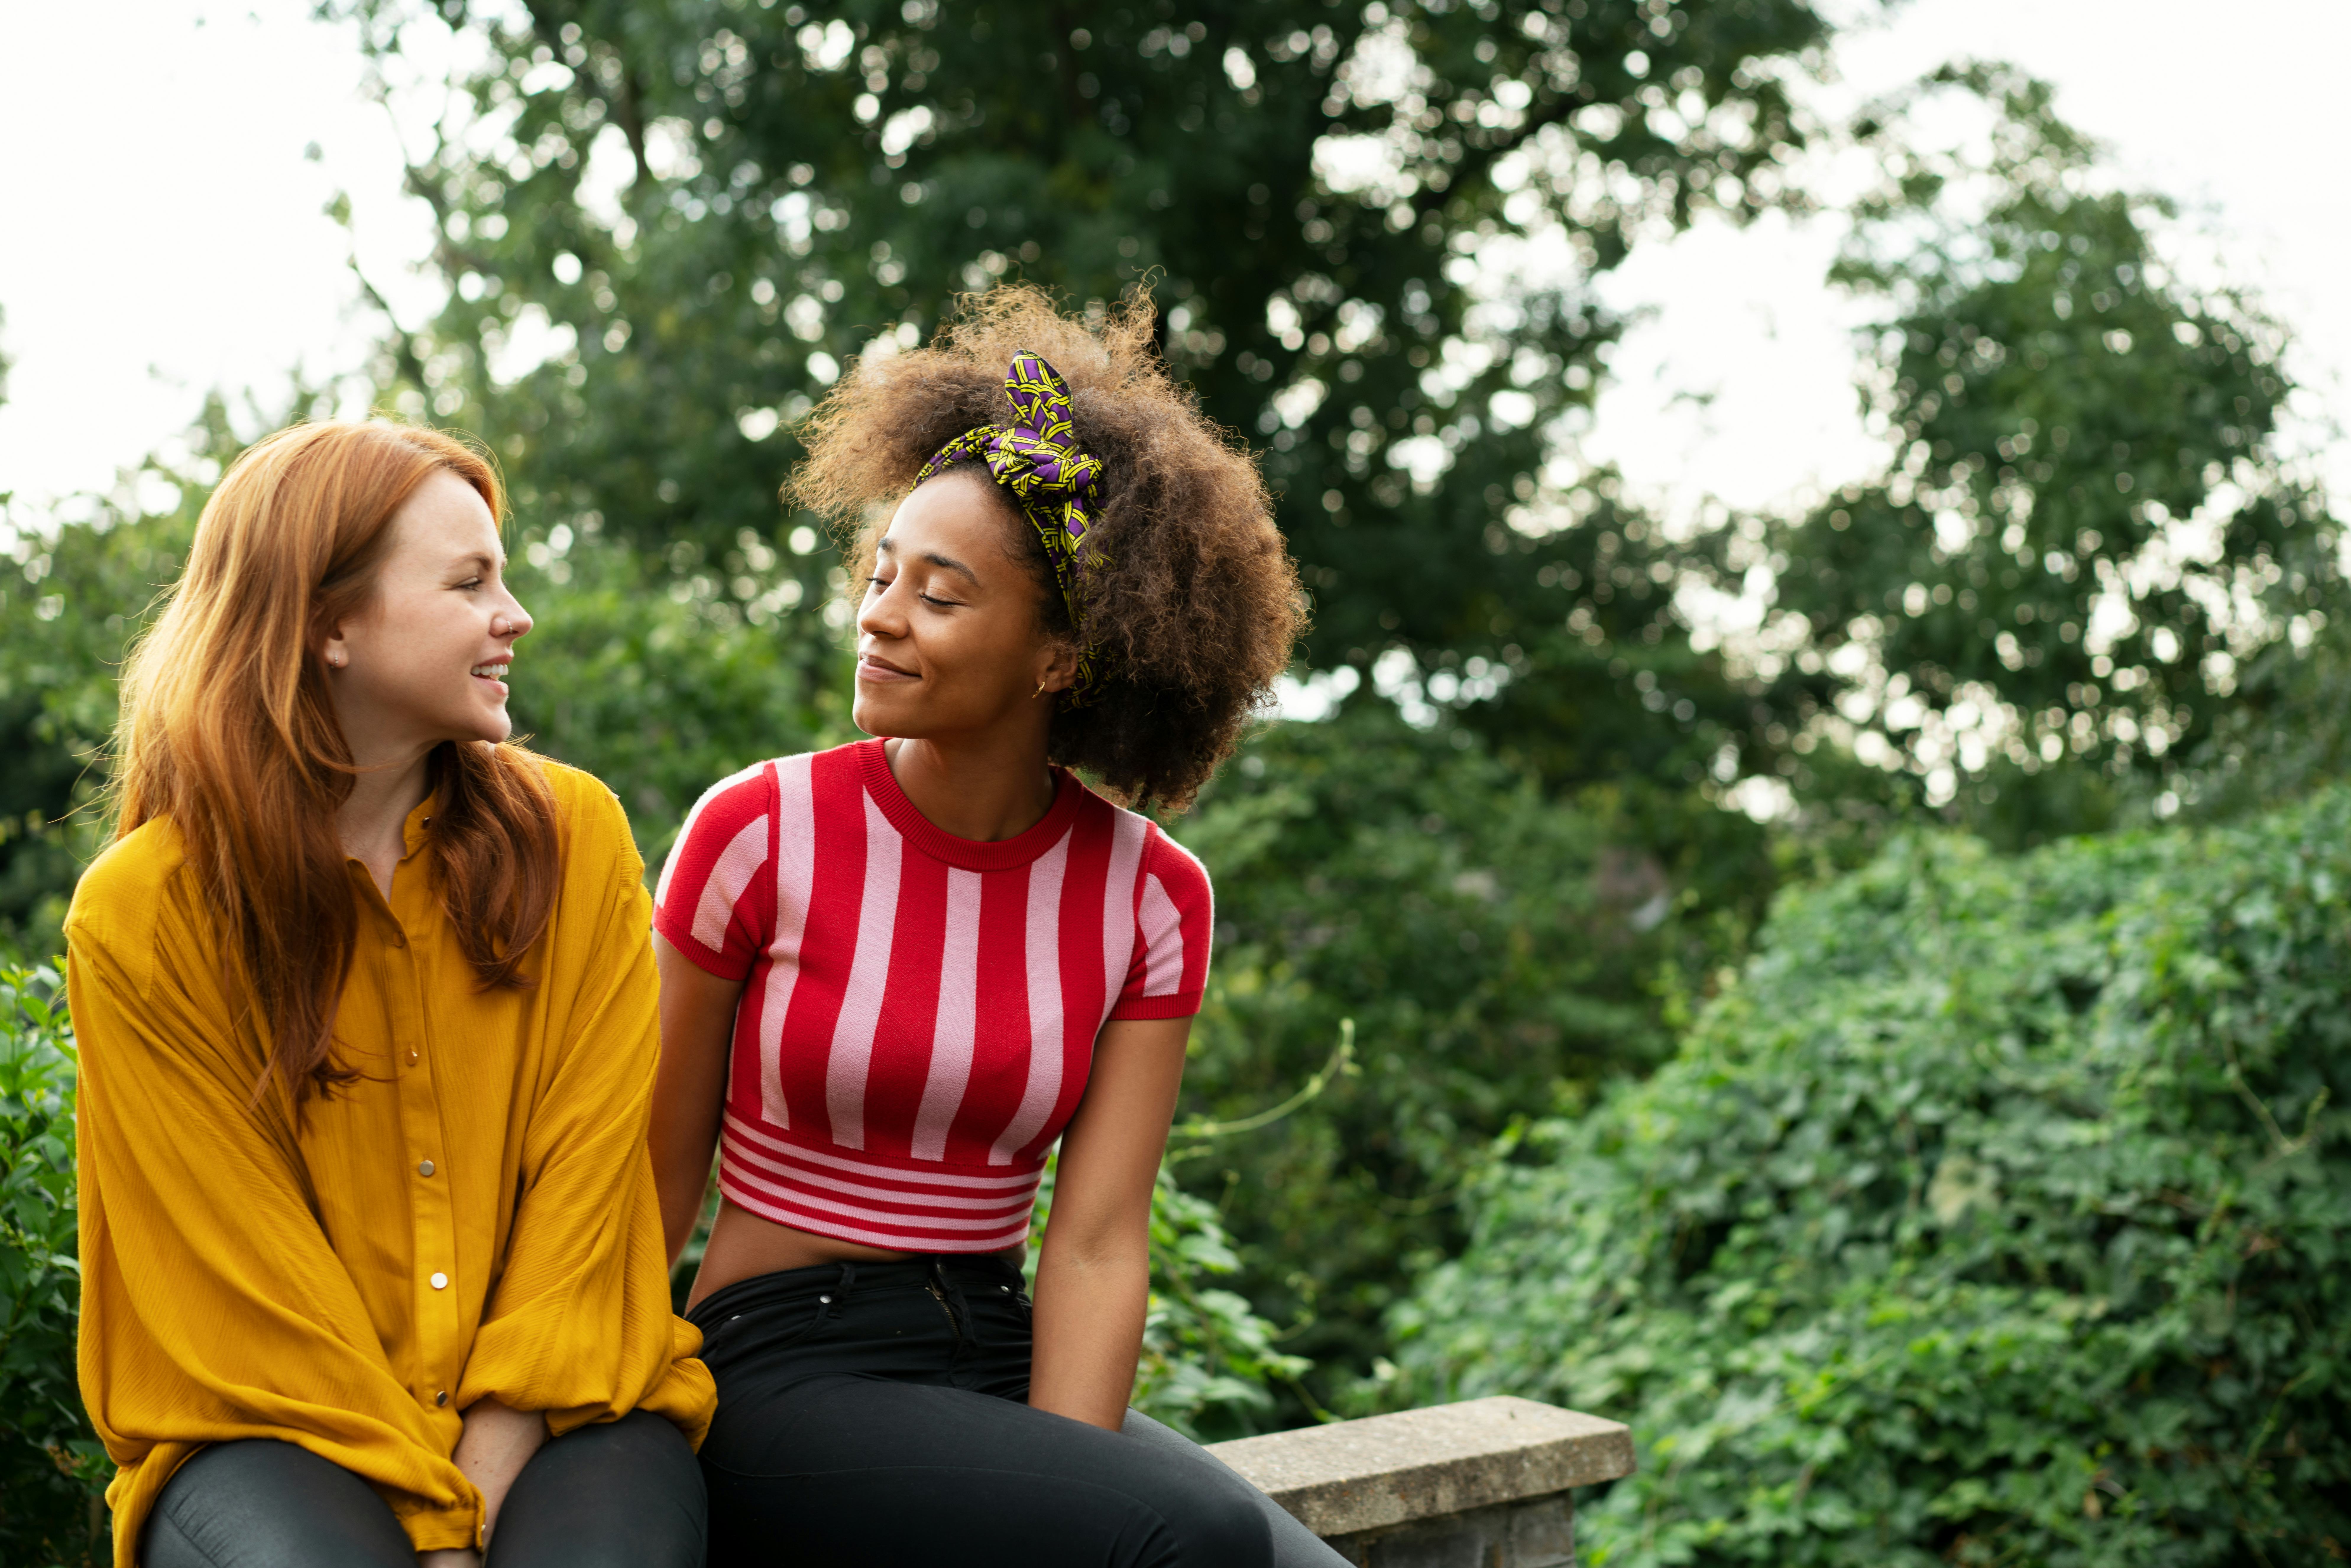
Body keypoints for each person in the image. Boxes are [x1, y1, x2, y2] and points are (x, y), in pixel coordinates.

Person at [649, 287, 1348, 1567]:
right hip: (777, 1365)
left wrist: (1067, 1480)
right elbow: (646, 1176)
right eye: (880, 574)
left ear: (1060, 659)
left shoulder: (1151, 895)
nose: (879, 613)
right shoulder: (757, 831)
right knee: (1188, 1540)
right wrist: (594, 1441)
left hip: (994, 1352)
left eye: (940, 593)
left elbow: (1091, 1239)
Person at [67, 421, 715, 1568]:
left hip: (560, 1412)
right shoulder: (144, 915)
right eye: (469, 583)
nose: (514, 617)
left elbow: (588, 1192)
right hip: (270, 1433)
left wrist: (475, 1487)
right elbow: (247, 1288)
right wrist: (429, 1527)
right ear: (327, 625)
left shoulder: (579, 840)